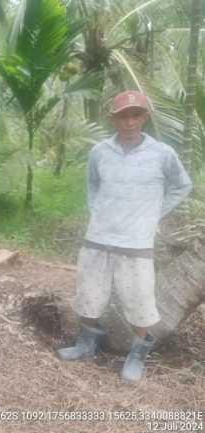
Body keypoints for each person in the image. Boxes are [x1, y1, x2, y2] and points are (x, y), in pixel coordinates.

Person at [58, 90, 192, 384]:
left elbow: (182, 186)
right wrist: (97, 213)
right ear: (112, 119)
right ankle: (86, 344)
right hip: (98, 237)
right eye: (123, 116)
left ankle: (136, 356)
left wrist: (155, 213)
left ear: (145, 117)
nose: (129, 122)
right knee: (89, 294)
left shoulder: (162, 153)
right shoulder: (100, 152)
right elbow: (93, 185)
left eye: (135, 115)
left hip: (137, 242)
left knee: (139, 301)